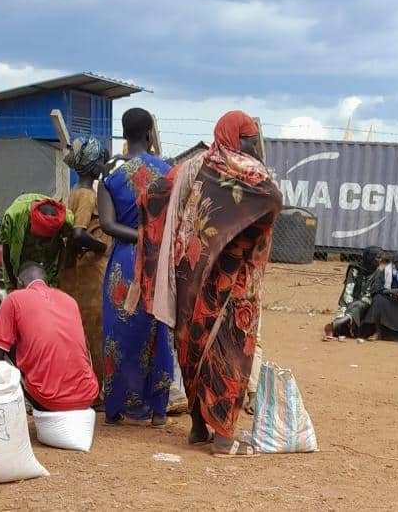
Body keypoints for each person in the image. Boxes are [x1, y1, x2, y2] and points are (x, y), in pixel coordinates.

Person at [126, 109, 281, 457]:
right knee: (230, 350)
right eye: (249, 139)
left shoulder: (191, 167)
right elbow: (273, 198)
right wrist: (232, 233)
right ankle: (223, 437)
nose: (253, 146)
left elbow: (151, 195)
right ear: (237, 138)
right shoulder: (246, 170)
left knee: (192, 347)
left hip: (190, 274)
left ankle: (198, 428)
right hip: (232, 279)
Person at [98, 108, 174, 427]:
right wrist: (152, 237)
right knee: (157, 329)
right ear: (149, 132)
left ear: (124, 133)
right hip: (156, 260)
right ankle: (158, 411)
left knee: (119, 331)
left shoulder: (110, 174)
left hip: (125, 259)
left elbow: (107, 224)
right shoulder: (168, 172)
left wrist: (137, 236)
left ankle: (115, 408)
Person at [0, 262, 99, 411]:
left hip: (47, 400)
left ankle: (13, 405)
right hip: (88, 395)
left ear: (19, 283)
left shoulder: (14, 299)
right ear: (47, 282)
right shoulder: (69, 300)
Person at [60, 137, 111, 393]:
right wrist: (102, 247)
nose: (105, 165)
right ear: (93, 165)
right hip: (89, 272)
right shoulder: (88, 196)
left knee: (82, 329)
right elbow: (79, 233)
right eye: (102, 160)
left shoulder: (74, 192)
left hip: (77, 272)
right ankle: (98, 389)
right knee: (96, 330)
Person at [0, 193, 73, 290]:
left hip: (50, 252)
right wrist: (14, 285)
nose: (40, 245)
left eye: (45, 240)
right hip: (19, 247)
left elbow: (64, 249)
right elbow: (6, 256)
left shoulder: (66, 220)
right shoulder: (13, 218)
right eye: (39, 238)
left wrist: (55, 279)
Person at [323, 246, 383, 341]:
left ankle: (334, 325)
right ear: (369, 258)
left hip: (367, 304)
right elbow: (348, 290)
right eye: (378, 257)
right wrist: (347, 306)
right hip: (351, 302)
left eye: (380, 257)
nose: (380, 260)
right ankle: (338, 325)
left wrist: (358, 303)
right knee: (347, 310)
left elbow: (371, 294)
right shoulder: (355, 269)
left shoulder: (378, 273)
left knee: (358, 306)